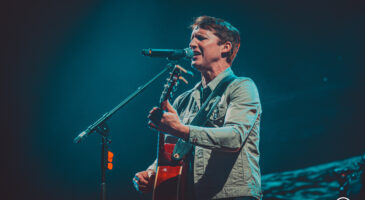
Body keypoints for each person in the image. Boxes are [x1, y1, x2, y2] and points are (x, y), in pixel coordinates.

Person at [133, 16, 262, 200]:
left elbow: (234, 138)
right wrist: (150, 173)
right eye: (191, 38)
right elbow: (174, 149)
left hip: (231, 195)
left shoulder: (241, 86)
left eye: (201, 38)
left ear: (225, 47)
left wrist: (181, 129)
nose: (192, 44)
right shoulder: (183, 100)